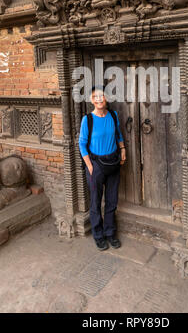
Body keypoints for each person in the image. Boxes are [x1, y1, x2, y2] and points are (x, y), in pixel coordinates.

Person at [78, 86, 126, 251]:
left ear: (106, 99)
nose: (99, 99)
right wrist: (90, 166)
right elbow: (82, 144)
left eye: (102, 96)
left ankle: (110, 233)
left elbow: (118, 134)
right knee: (96, 202)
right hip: (96, 166)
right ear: (92, 100)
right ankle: (98, 235)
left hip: (113, 162)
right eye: (95, 97)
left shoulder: (112, 115)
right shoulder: (88, 120)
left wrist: (123, 149)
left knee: (112, 201)